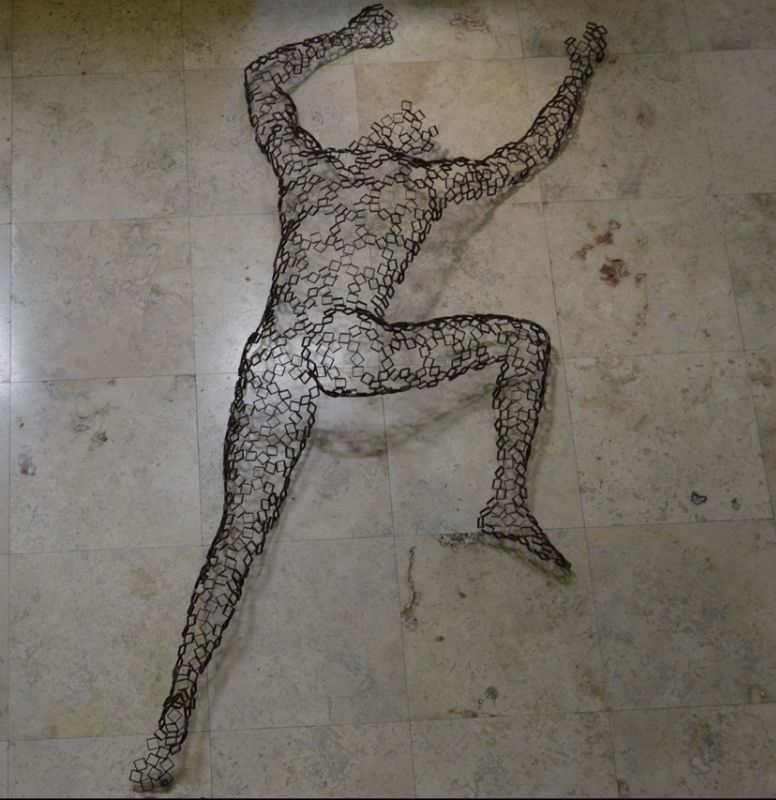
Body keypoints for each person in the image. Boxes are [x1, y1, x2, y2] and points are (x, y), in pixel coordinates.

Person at [131, 5, 607, 790]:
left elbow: (263, 80)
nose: (406, 123)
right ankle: (504, 500)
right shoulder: (422, 180)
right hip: (345, 346)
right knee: (523, 340)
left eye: (415, 128)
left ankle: (173, 713)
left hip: (276, 353)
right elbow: (528, 149)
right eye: (401, 122)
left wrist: (351, 37)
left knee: (237, 539)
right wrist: (576, 71)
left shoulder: (314, 169)